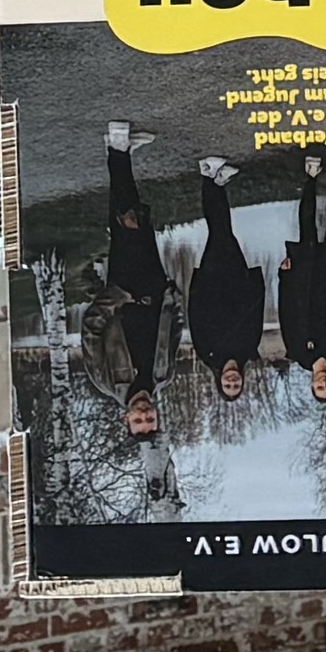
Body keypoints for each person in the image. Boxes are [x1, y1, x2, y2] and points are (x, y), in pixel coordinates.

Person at [97, 127, 177, 443]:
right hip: (155, 289)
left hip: (124, 289)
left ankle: (118, 147)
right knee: (138, 225)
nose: (144, 414)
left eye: (138, 420)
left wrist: (115, 297)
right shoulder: (162, 375)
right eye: (149, 419)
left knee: (125, 225)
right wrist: (172, 299)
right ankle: (120, 154)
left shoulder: (107, 381)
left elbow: (91, 330)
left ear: (126, 418)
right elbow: (174, 331)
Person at [187, 161, 267, 408]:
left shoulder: (208, 354)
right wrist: (256, 282)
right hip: (237, 280)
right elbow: (256, 313)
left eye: (228, 385)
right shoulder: (249, 350)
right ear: (242, 381)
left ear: (219, 381)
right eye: (236, 385)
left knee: (219, 233)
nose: (232, 381)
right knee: (224, 234)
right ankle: (217, 183)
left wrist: (197, 284)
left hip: (212, 282)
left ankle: (208, 176)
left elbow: (196, 316)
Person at [280, 162, 326, 406]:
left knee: (307, 228)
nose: (324, 383)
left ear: (312, 384)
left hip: (305, 282)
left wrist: (285, 277)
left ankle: (311, 176)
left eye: (320, 387)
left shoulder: (298, 353)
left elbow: (287, 314)